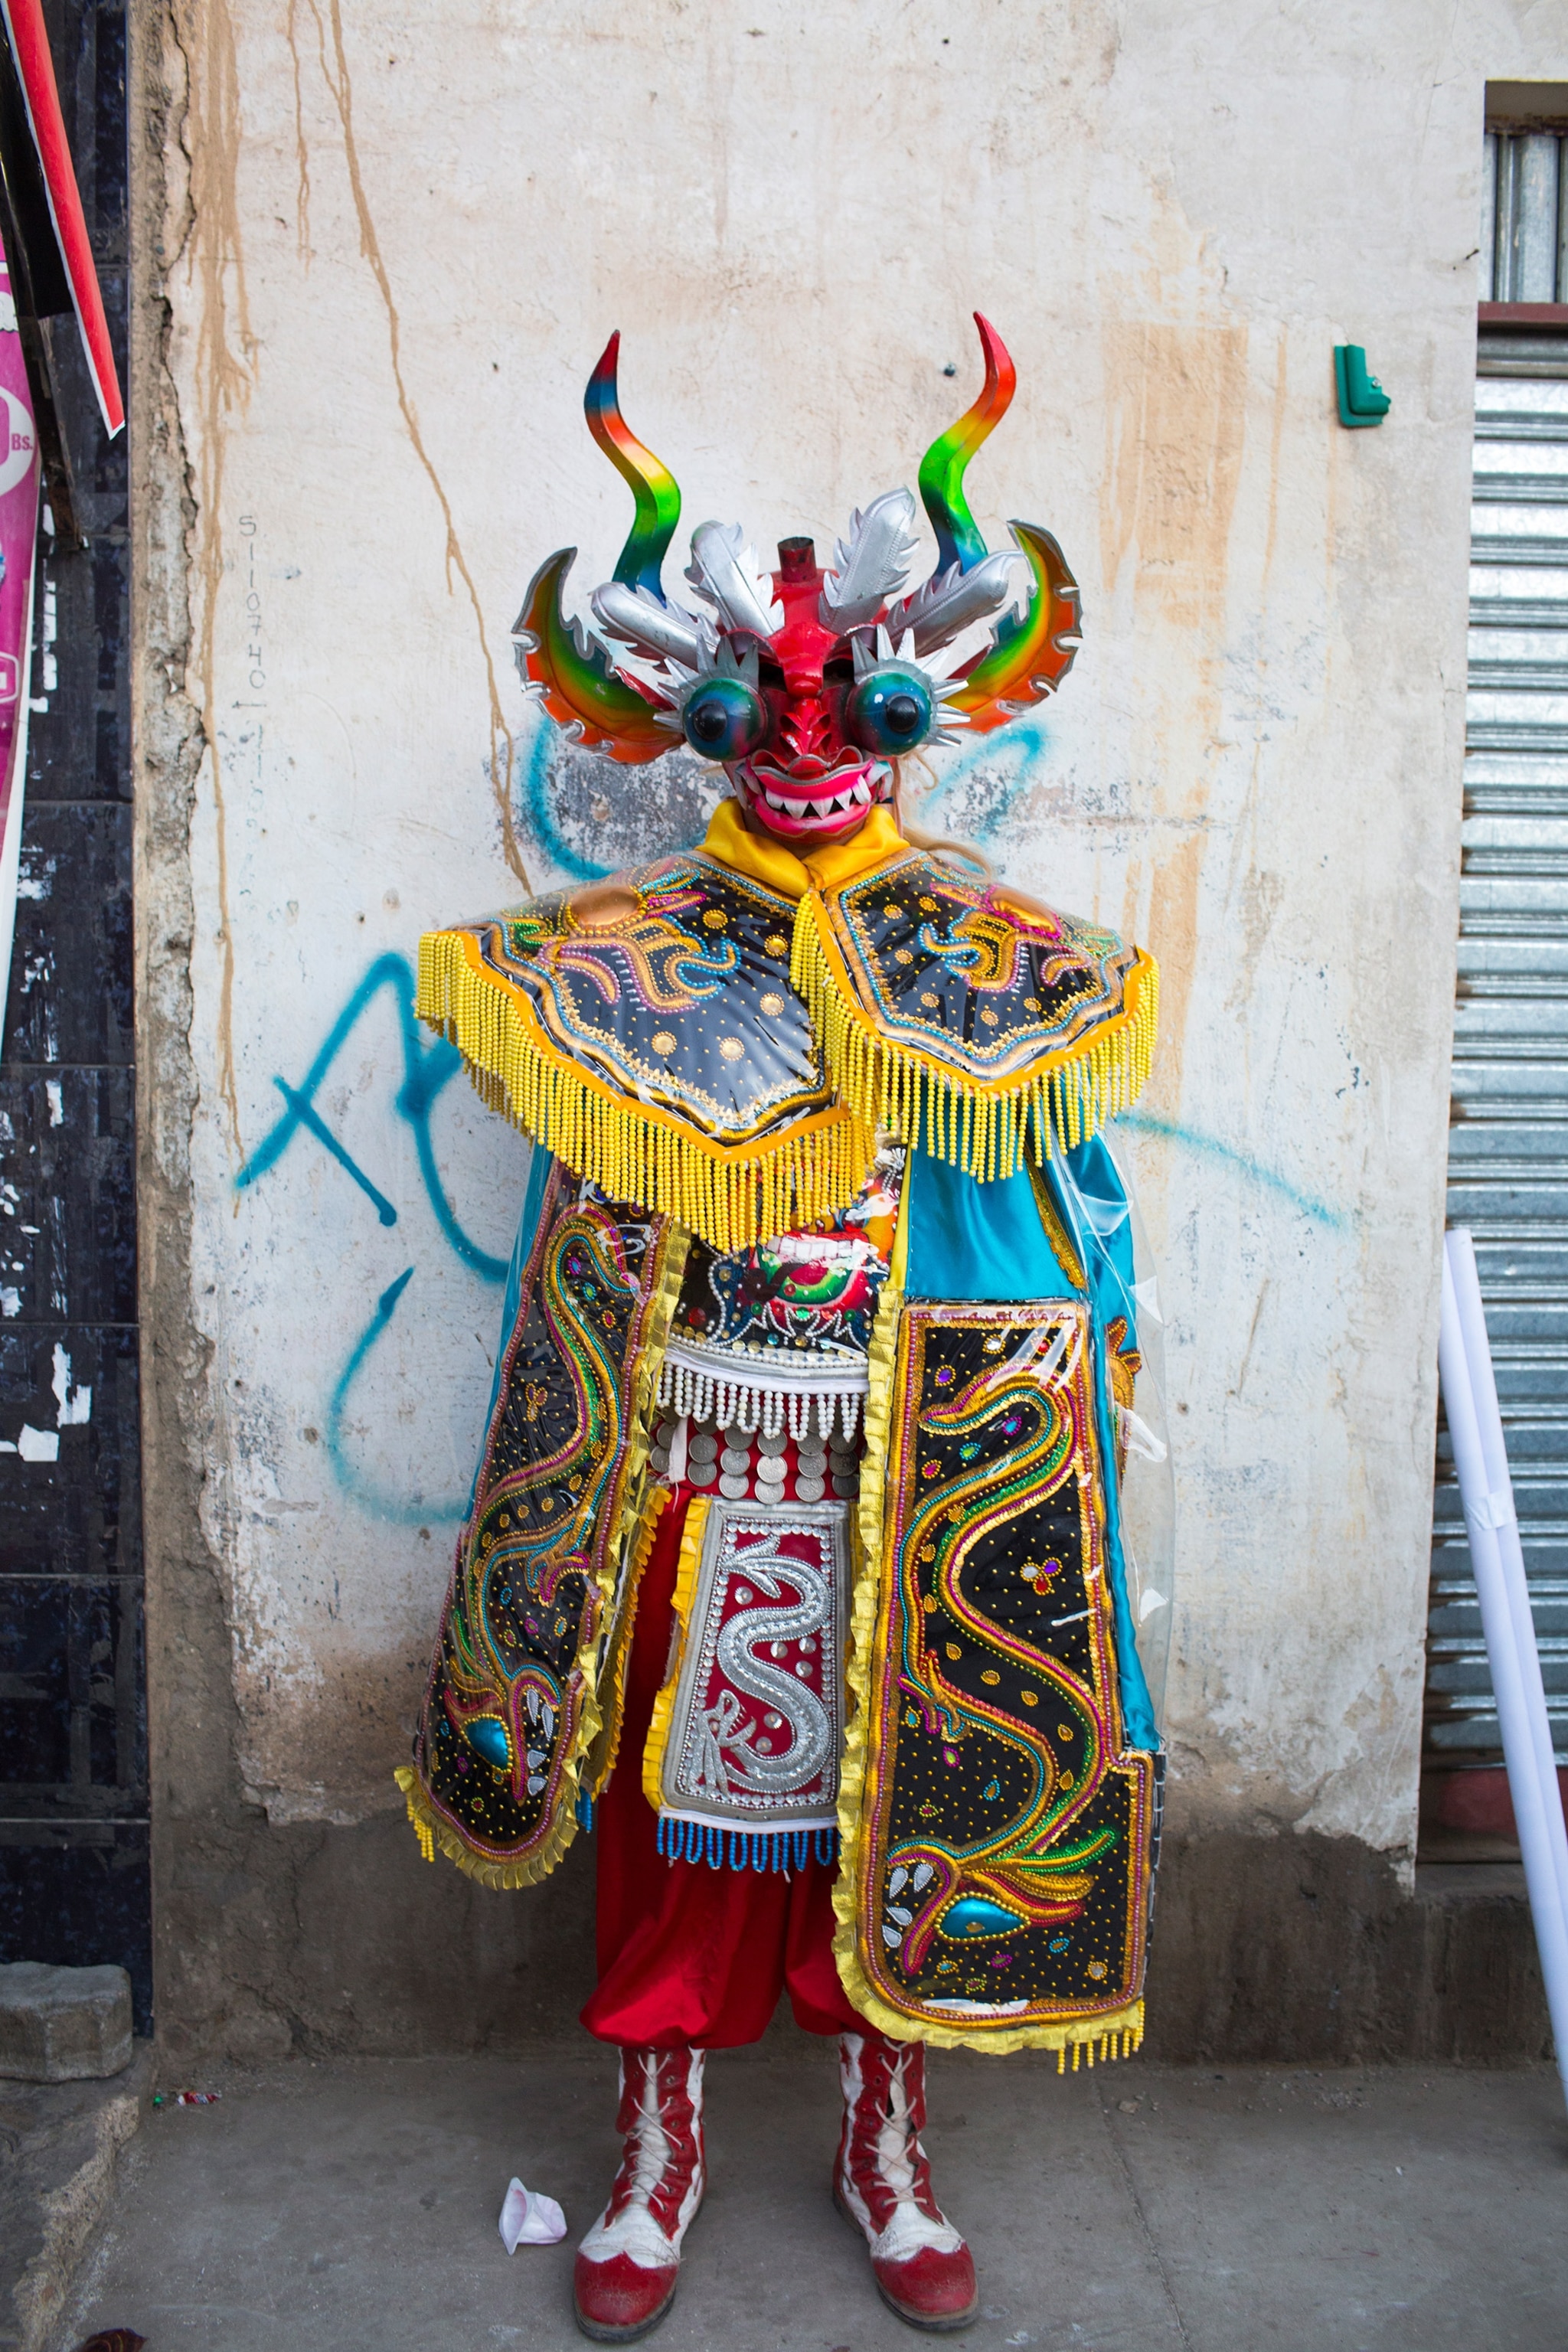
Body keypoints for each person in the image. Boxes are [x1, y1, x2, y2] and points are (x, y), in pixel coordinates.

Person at [398, 314, 1165, 2343]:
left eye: (853, 702)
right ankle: (655, 2152)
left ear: (918, 712)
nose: (810, 739)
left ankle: (881, 2142)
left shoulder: (1007, 967)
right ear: (702, 721)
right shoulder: (611, 974)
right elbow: (587, 1256)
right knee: (673, 1837)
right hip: (686, 1471)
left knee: (899, 1813)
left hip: (915, 1477)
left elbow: (1060, 1244)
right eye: (767, 703)